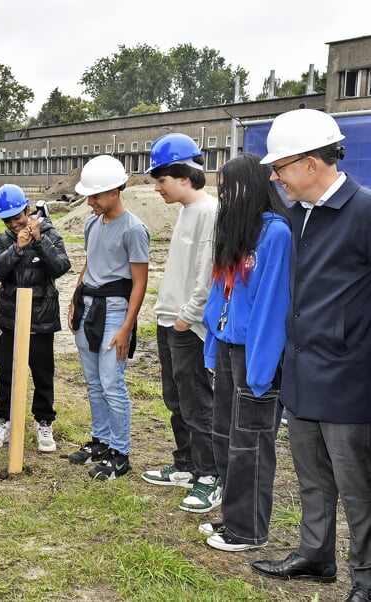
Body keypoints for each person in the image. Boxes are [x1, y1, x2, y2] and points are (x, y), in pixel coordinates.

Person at [250, 110, 371, 602]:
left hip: (348, 378)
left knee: (358, 487)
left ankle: (366, 576)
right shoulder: (296, 215)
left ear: (313, 162)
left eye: (281, 166)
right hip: (301, 372)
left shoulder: (363, 212)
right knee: (312, 476)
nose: (275, 177)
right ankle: (315, 554)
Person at [195, 153, 290, 552]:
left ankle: (249, 530)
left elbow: (272, 305)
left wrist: (261, 371)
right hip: (231, 350)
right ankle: (233, 519)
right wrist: (212, 347)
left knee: (250, 443)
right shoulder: (239, 231)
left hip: (257, 357)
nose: (225, 195)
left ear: (252, 187)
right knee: (225, 437)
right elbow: (221, 294)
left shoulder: (276, 234)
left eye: (231, 187)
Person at [139, 134, 220, 514]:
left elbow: (208, 273)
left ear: (184, 175)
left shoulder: (209, 212)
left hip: (188, 325)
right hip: (169, 320)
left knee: (197, 402)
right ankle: (186, 464)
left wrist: (189, 316)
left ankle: (210, 475)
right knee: (175, 399)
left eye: (161, 180)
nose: (157, 188)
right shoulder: (187, 211)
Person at [67, 155, 150, 480]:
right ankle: (100, 441)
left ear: (116, 191)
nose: (90, 202)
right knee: (93, 382)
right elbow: (89, 265)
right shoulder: (91, 223)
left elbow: (140, 283)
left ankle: (120, 451)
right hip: (89, 308)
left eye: (96, 196)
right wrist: (75, 301)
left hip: (115, 312)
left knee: (112, 383)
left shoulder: (133, 230)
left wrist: (127, 328)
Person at [0, 184, 70, 452]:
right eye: (7, 220)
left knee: (43, 373)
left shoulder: (49, 233)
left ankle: (44, 422)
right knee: (5, 372)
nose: (13, 224)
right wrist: (18, 249)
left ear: (27, 209)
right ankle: (3, 421)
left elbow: (60, 266)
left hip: (41, 318)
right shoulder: (3, 240)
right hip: (10, 318)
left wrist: (39, 241)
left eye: (17, 217)